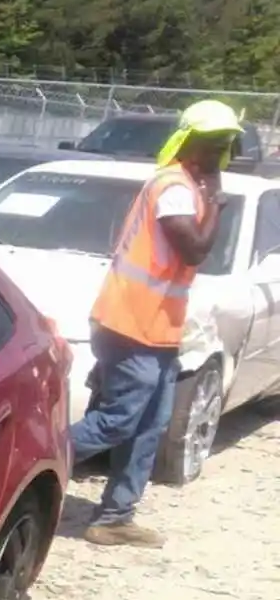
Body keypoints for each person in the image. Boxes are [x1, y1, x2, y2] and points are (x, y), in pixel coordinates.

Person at [71, 99, 242, 548]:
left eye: (226, 144)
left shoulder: (189, 183)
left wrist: (213, 185)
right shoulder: (175, 188)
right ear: (194, 143)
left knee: (149, 424)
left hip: (156, 329)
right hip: (130, 324)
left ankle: (114, 517)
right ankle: (19, 463)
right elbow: (195, 250)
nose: (224, 151)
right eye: (218, 144)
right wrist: (219, 206)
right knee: (116, 422)